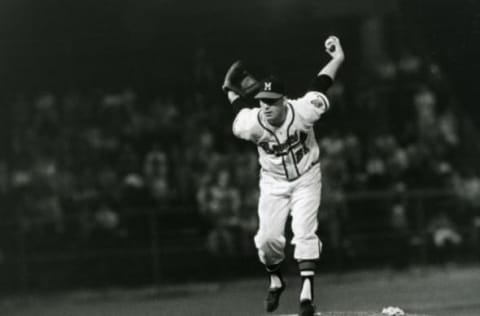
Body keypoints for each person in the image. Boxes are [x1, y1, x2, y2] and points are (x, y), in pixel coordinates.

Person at [222, 36, 345, 316]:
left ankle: (306, 298)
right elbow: (237, 106)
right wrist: (228, 89)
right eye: (262, 101)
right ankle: (276, 280)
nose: (265, 106)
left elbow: (321, 84)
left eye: (272, 101)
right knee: (267, 240)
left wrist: (337, 59)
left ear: (284, 100)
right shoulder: (250, 123)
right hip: (273, 183)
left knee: (304, 232)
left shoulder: (303, 110)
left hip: (307, 177)